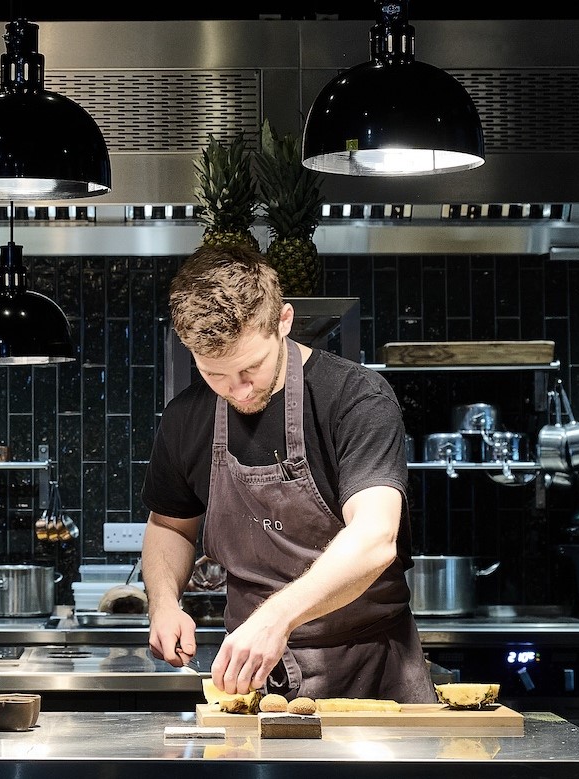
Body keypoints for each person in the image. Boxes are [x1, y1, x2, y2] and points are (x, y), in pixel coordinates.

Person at [141, 244, 435, 704]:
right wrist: (163, 603)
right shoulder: (186, 418)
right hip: (252, 677)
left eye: (250, 367)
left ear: (284, 321)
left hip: (372, 672)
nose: (237, 389)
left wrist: (275, 618)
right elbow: (169, 525)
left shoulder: (355, 398)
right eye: (215, 374)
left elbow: (375, 537)